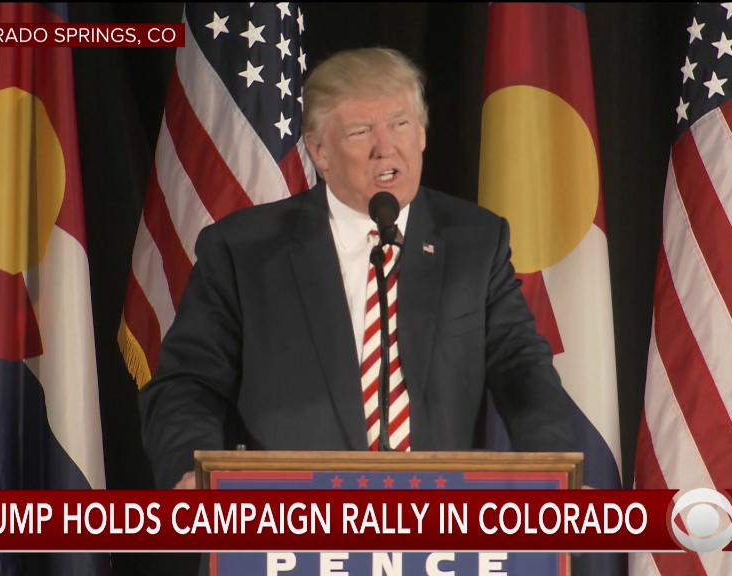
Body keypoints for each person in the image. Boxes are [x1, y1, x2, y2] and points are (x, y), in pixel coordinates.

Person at [139, 48, 573, 490]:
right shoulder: (244, 251)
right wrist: (191, 475)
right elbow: (187, 383)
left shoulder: (475, 242)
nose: (386, 148)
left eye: (400, 124)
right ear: (320, 152)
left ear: (422, 134)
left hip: (438, 515)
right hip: (292, 515)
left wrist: (557, 473)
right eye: (361, 132)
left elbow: (521, 368)